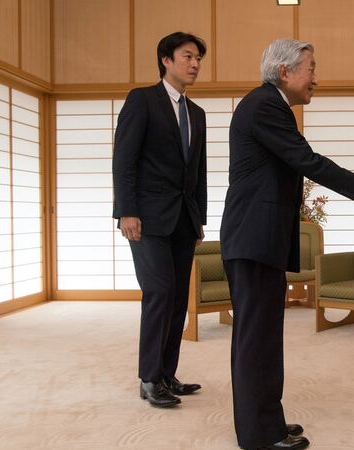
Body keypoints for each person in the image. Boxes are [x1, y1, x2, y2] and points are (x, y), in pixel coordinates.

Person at [220, 39, 354, 450]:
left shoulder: (270, 106)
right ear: (285, 72)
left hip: (258, 238)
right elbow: (307, 160)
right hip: (253, 238)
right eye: (311, 67)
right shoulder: (264, 105)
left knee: (263, 336)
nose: (316, 77)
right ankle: (260, 436)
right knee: (256, 339)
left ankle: (269, 423)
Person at [112, 31, 208, 409]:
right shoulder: (142, 100)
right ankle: (149, 378)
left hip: (184, 220)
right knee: (159, 293)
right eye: (187, 56)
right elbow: (124, 159)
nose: (195, 64)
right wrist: (127, 211)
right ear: (166, 60)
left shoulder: (196, 113)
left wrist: (198, 217)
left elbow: (197, 171)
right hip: (147, 218)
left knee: (178, 299)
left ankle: (168, 374)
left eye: (198, 58)